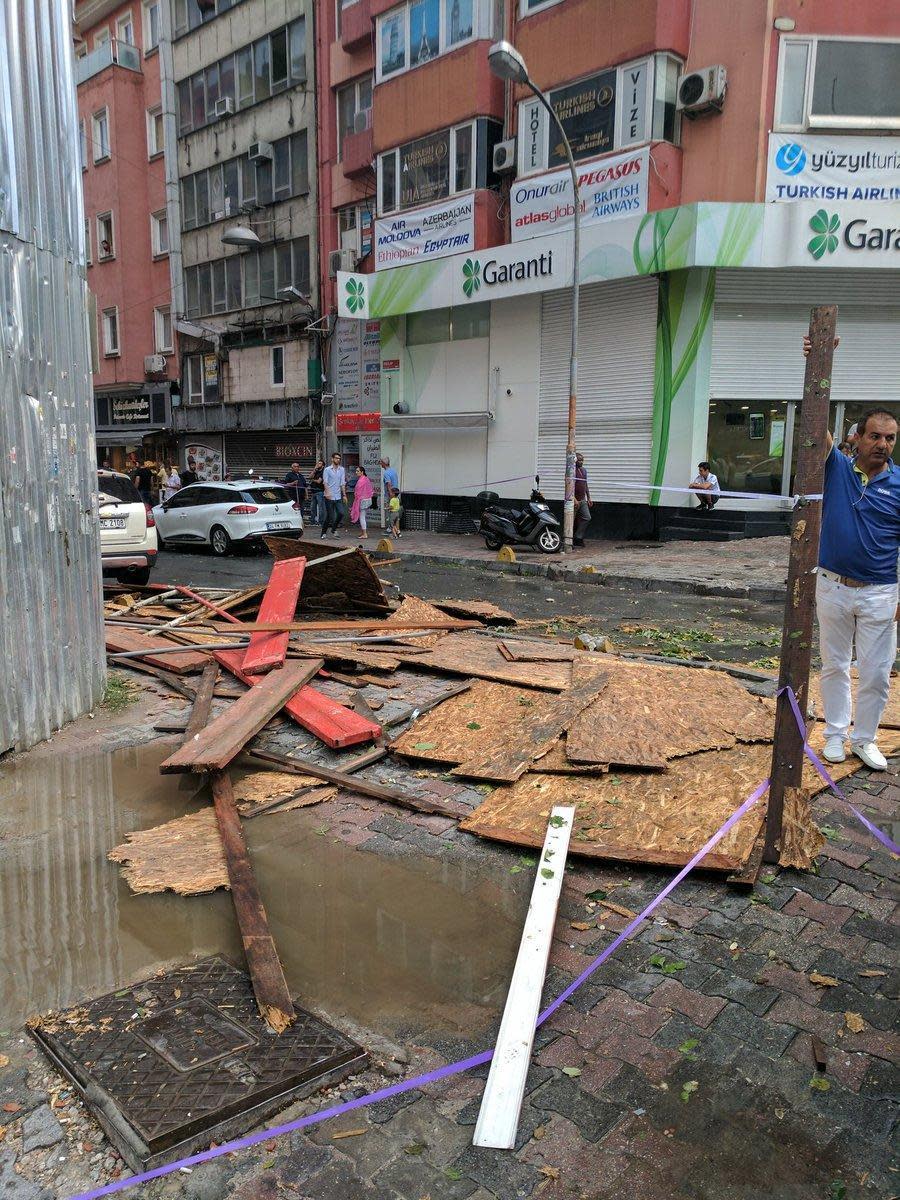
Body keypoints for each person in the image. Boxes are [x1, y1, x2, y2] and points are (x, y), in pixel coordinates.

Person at [804, 336, 900, 770]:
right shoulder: (838, 468)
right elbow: (816, 427)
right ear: (857, 437)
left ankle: (865, 739)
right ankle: (836, 735)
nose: (883, 444)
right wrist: (816, 365)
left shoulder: (899, 485)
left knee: (878, 674)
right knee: (835, 666)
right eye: (875, 436)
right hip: (833, 586)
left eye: (891, 438)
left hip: (880, 592)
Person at [321, 452, 347, 538]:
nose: (338, 460)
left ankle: (333, 529)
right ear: (332, 459)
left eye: (339, 458)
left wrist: (344, 495)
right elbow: (325, 482)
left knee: (341, 513)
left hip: (338, 496)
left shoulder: (342, 469)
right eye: (336, 458)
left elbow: (342, 483)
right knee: (330, 516)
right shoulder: (327, 470)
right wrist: (328, 493)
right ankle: (324, 532)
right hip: (329, 496)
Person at [350, 466, 375, 538]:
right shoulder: (366, 479)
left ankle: (364, 534)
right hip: (367, 499)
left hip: (362, 500)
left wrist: (355, 504)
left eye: (358, 471)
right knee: (363, 516)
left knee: (362, 517)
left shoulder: (361, 481)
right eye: (356, 471)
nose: (356, 472)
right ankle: (363, 532)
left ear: (362, 472)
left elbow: (357, 493)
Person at [573, 452, 591, 546]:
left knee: (587, 517)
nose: (581, 462)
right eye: (579, 460)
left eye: (582, 460)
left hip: (582, 499)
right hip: (574, 500)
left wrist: (589, 497)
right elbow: (569, 486)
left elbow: (585, 484)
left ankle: (578, 537)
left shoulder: (584, 470)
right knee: (571, 520)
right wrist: (574, 499)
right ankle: (568, 540)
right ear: (575, 460)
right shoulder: (571, 471)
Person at [308, 459, 326, 526]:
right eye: (318, 463)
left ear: (323, 465)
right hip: (313, 491)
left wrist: (312, 480)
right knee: (312, 507)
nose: (318, 464)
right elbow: (309, 477)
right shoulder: (316, 471)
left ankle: (321, 522)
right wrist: (314, 469)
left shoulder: (323, 472)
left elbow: (319, 481)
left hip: (320, 491)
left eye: (320, 463)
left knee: (321, 507)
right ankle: (312, 521)